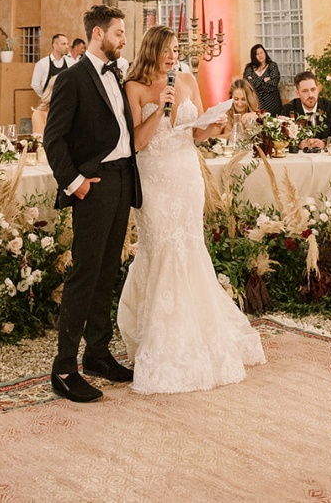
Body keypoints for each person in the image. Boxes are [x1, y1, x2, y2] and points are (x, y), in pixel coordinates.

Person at [118, 25, 264, 393]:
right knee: (162, 247)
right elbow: (136, 142)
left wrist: (212, 126)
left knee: (188, 246)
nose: (172, 56)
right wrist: (162, 107)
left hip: (185, 175)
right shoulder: (133, 88)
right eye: (166, 50)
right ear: (151, 50)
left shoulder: (187, 79)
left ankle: (196, 330)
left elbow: (193, 132)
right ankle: (156, 334)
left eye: (175, 49)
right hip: (153, 178)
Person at [43, 4, 140, 403]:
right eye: (118, 32)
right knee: (85, 273)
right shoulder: (72, 78)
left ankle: (97, 353)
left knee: (107, 271)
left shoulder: (116, 74)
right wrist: (76, 183)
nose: (123, 39)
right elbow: (53, 138)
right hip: (94, 184)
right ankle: (64, 367)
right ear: (98, 34)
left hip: (121, 180)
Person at [284, 71, 331, 143]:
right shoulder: (288, 110)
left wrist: (324, 143)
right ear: (298, 93)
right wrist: (299, 144)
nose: (310, 95)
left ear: (317, 90)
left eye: (313, 90)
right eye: (305, 91)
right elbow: (283, 138)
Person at [242, 43, 282, 115]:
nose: (260, 55)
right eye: (257, 54)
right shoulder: (249, 68)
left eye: (261, 53)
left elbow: (273, 83)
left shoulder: (272, 66)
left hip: (272, 102)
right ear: (254, 56)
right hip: (255, 103)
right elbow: (246, 84)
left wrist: (254, 82)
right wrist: (264, 80)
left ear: (265, 53)